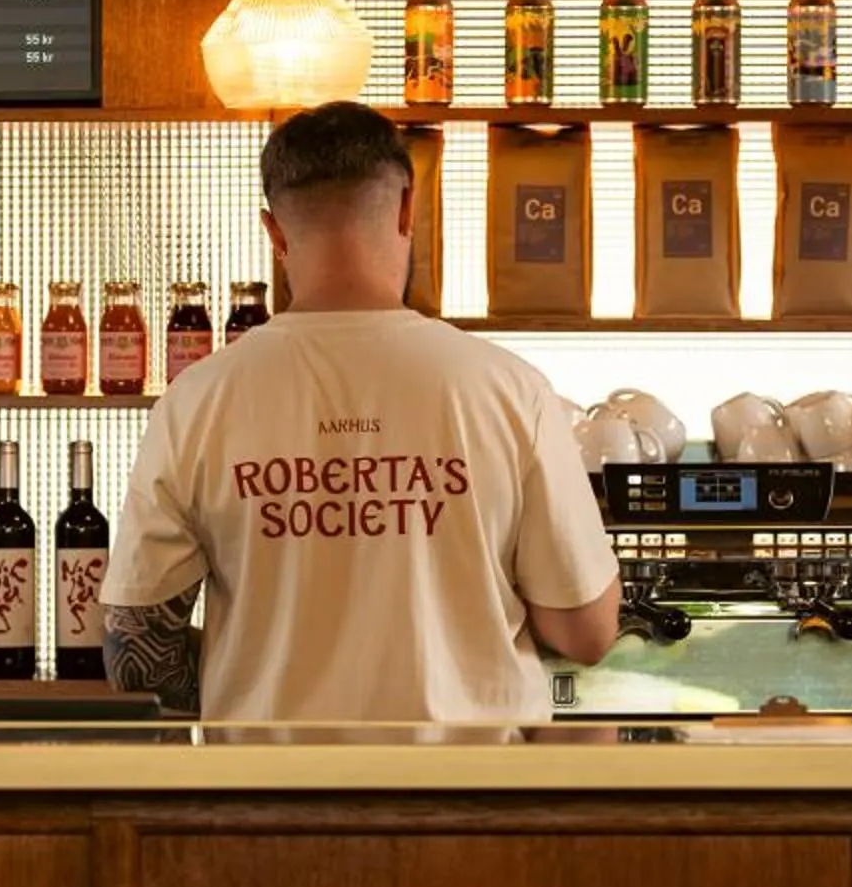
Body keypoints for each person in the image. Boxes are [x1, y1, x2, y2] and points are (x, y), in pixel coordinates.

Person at [101, 100, 619, 723]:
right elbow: (586, 634)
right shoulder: (510, 390)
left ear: (275, 232)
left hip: (264, 803)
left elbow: (136, 653)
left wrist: (247, 673)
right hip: (472, 799)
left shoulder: (195, 401)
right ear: (407, 210)